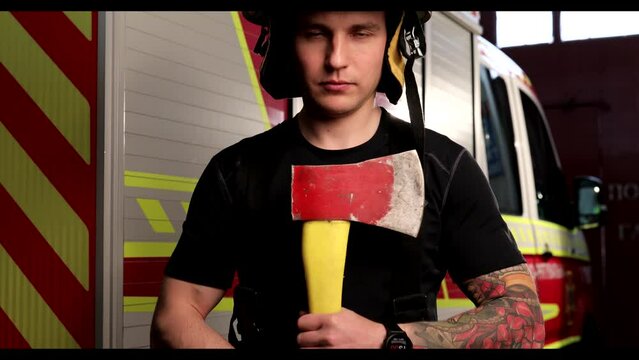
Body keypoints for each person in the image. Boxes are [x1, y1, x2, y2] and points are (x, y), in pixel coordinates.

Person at [150, 10, 544, 349]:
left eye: (361, 32)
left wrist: (389, 339)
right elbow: (174, 316)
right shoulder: (236, 171)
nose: (336, 59)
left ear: (393, 44)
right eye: (316, 33)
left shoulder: (443, 169)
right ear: (289, 43)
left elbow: (525, 319)